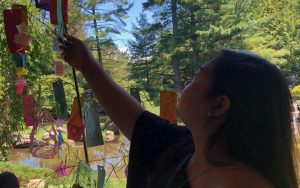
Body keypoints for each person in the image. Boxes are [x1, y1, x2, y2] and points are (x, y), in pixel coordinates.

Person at [60, 35, 298, 188]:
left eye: (197, 77)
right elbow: (137, 121)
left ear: (218, 106)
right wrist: (86, 64)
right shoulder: (187, 146)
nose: (186, 85)